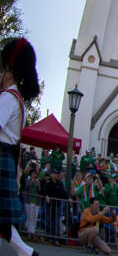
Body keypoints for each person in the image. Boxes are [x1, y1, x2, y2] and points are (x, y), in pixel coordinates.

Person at [0, 38, 41, 256]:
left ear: (8, 71)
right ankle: (26, 252)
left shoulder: (8, 98)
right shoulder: (16, 99)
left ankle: (26, 252)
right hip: (5, 158)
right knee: (4, 224)